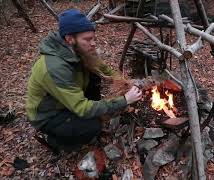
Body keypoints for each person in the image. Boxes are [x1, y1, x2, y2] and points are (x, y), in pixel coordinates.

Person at [26, 9, 142, 152]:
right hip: (49, 115)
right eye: (87, 39)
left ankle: (87, 116)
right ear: (70, 39)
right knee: (92, 127)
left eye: (93, 38)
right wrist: (124, 100)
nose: (93, 44)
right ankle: (57, 140)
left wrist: (126, 83)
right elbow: (82, 108)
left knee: (94, 74)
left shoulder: (78, 49)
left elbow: (104, 69)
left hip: (67, 99)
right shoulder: (54, 67)